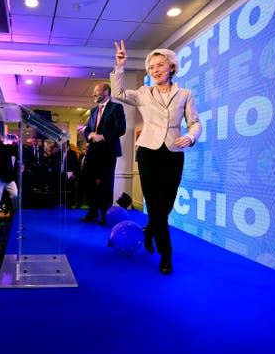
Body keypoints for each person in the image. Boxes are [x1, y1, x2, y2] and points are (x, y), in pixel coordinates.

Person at [110, 40, 202, 274]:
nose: (155, 70)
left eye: (160, 65)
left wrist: (190, 137)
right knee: (155, 205)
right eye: (151, 67)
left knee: (166, 206)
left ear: (172, 67)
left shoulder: (185, 94)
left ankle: (149, 231)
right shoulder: (143, 93)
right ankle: (166, 254)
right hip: (148, 152)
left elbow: (195, 123)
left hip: (173, 154)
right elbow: (118, 92)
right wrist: (120, 66)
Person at [80, 83, 126, 225]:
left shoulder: (116, 107)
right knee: (90, 182)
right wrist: (89, 135)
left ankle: (105, 214)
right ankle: (93, 211)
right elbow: (87, 128)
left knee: (106, 184)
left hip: (108, 152)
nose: (93, 94)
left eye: (96, 92)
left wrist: (103, 136)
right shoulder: (93, 111)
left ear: (106, 92)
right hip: (93, 152)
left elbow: (121, 129)